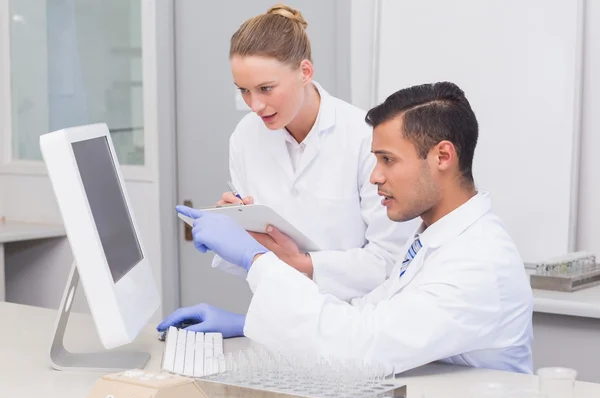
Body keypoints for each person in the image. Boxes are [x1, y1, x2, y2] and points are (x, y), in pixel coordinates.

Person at [159, 82, 534, 375]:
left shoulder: (478, 261)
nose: (375, 177)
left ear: (442, 156)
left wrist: (256, 259)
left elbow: (359, 348)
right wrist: (247, 324)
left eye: (388, 160)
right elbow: (365, 315)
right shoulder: (434, 239)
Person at [211, 4, 416, 301]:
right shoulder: (245, 137)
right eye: (243, 90)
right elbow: (259, 257)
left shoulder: (363, 137)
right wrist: (236, 224)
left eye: (266, 88)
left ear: (305, 72)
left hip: (354, 324)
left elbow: (390, 259)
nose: (254, 105)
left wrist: (304, 265)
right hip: (277, 321)